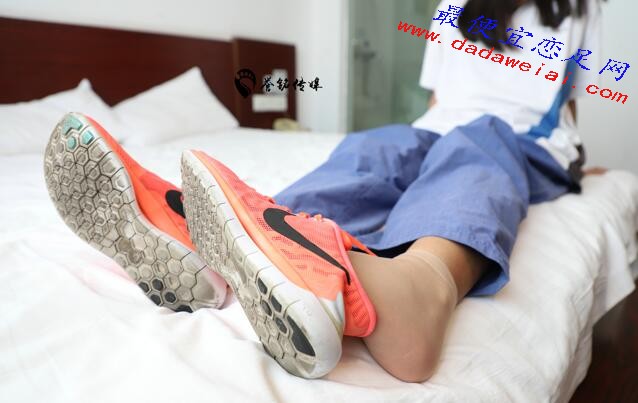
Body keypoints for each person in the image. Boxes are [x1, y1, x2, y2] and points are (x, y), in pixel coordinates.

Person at [44, 0, 607, 384]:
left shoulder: (581, 8)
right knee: (374, 149)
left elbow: (571, 99)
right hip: (438, 127)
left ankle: (424, 287)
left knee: (474, 146)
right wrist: (414, 145)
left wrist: (579, 159)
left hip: (523, 140)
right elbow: (438, 102)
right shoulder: (452, 7)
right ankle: (246, 239)